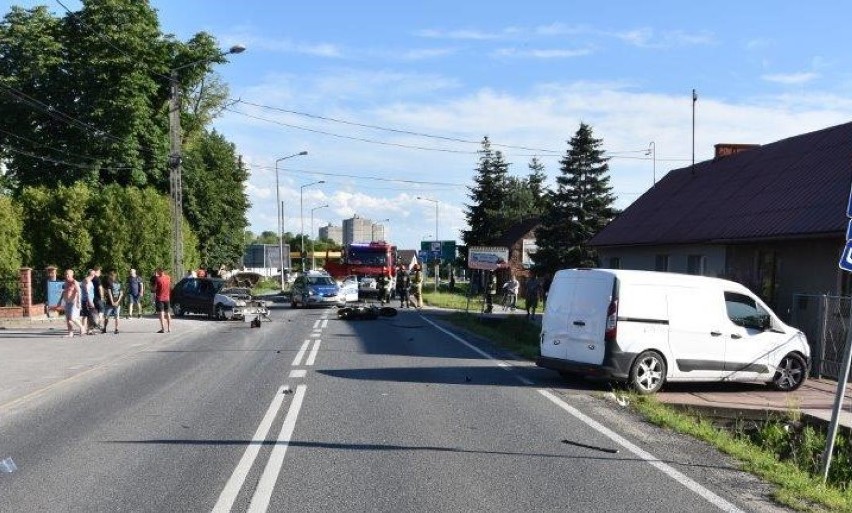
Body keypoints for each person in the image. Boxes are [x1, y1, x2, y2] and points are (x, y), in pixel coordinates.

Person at [56, 269, 84, 338]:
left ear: (72, 275)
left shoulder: (74, 282)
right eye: (65, 274)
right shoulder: (66, 283)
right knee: (68, 319)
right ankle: (70, 333)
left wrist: (78, 302)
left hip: (74, 302)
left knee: (73, 318)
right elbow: (64, 292)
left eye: (68, 274)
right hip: (67, 303)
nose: (67, 275)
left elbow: (79, 292)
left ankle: (82, 327)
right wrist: (60, 301)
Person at [80, 270, 99, 335]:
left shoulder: (86, 280)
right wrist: (90, 301)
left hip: (86, 300)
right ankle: (86, 330)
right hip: (87, 301)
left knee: (86, 315)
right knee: (89, 316)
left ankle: (85, 330)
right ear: (93, 275)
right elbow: (87, 292)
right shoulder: (87, 280)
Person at [154, 268, 172, 333]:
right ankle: (169, 328)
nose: (157, 273)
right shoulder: (168, 277)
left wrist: (156, 277)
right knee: (168, 312)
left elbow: (154, 288)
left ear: (159, 272)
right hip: (167, 298)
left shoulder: (158, 279)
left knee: (161, 312)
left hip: (160, 298)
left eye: (157, 272)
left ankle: (163, 329)